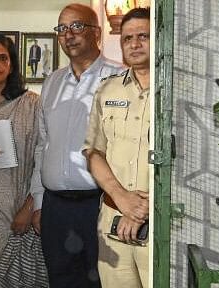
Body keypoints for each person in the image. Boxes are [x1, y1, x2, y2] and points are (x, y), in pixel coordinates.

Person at [30, 3, 123, 288]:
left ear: (96, 32)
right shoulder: (52, 82)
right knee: (60, 281)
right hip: (56, 207)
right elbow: (42, 144)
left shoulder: (119, 78)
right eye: (61, 29)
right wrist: (38, 200)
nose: (68, 34)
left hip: (100, 204)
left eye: (76, 26)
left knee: (102, 281)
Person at [0, 34, 48, 288]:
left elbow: (44, 155)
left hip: (19, 212)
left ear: (11, 65)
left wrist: (30, 205)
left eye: (3, 58)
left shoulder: (31, 104)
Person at [83, 7, 151, 288]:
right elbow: (93, 152)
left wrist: (141, 209)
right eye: (127, 38)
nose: (134, 44)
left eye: (143, 36)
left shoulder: (176, 89)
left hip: (158, 221)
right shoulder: (108, 90)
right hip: (113, 220)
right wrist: (122, 199)